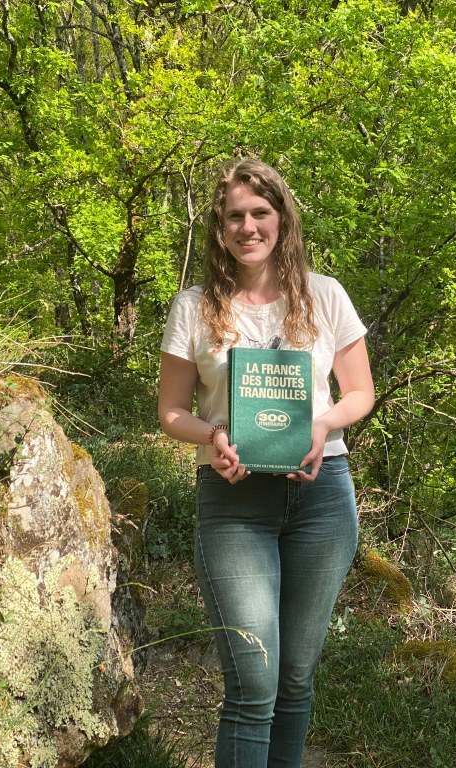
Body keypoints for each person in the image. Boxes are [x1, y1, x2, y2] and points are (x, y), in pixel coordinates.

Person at [158, 158, 375, 768]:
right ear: (219, 228)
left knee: (296, 680)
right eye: (235, 216)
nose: (248, 227)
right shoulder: (195, 307)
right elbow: (173, 412)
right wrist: (214, 434)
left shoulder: (325, 294)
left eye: (260, 213)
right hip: (233, 501)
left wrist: (322, 423)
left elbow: (359, 393)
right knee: (253, 685)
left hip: (322, 494)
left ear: (282, 219)